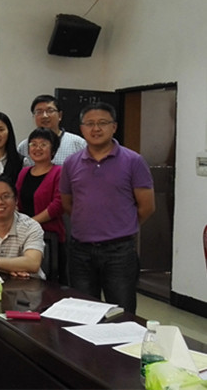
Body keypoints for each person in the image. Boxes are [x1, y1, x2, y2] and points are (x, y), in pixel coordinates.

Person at [60, 102, 155, 313]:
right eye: (90, 124)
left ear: (114, 127)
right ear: (81, 128)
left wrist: (122, 225)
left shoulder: (133, 161)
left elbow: (147, 206)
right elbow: (68, 203)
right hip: (80, 251)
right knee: (83, 311)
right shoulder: (71, 163)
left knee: (121, 313)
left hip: (119, 252)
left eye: (102, 123)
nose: (96, 129)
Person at [16, 128, 66, 282]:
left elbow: (58, 205)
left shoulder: (59, 172)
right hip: (23, 236)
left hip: (49, 237)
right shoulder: (24, 172)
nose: (37, 148)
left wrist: (31, 223)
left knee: (49, 284)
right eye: (33, 144)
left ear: (53, 149)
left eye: (43, 144)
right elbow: (16, 200)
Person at [17, 94, 86, 165]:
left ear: (60, 115)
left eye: (50, 111)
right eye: (39, 112)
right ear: (34, 117)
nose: (44, 116)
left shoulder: (78, 144)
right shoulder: (24, 147)